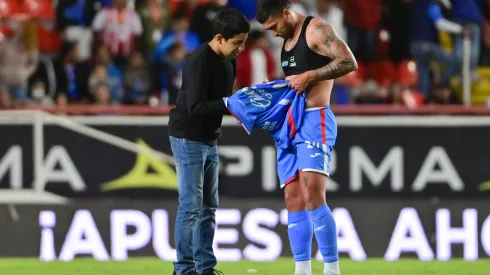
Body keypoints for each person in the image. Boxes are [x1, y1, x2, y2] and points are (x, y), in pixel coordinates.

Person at [256, 1, 358, 275]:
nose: (273, 33)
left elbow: (349, 61)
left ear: (286, 13)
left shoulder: (317, 30)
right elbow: (295, 83)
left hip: (315, 120)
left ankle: (332, 269)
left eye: (274, 26)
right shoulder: (286, 40)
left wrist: (311, 75)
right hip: (291, 123)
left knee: (313, 193)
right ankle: (302, 269)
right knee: (293, 197)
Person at [168, 8, 250, 275]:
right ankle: (183, 269)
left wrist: (238, 107)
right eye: (237, 43)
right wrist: (229, 104)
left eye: (243, 42)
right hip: (188, 137)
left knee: (208, 208)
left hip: (209, 139)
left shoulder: (230, 60)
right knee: (191, 207)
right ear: (219, 38)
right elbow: (195, 108)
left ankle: (205, 268)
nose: (241, 49)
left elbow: (221, 103)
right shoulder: (198, 62)